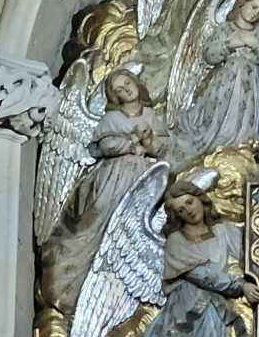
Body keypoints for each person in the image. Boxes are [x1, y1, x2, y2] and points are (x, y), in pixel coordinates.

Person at [107, 180, 259, 337]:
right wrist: (240, 286)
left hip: (212, 316)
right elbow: (202, 274)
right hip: (182, 317)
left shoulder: (224, 231)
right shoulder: (176, 242)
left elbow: (253, 255)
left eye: (190, 202)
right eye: (181, 209)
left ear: (200, 199)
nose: (189, 210)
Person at [40, 68, 166, 314]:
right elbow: (106, 145)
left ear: (137, 83)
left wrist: (150, 142)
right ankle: (72, 282)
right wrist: (132, 141)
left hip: (144, 182)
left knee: (132, 229)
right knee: (99, 222)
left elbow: (163, 148)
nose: (126, 89)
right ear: (115, 96)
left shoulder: (152, 115)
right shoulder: (112, 119)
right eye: (119, 89)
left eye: (127, 83)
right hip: (113, 177)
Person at [172, 0, 259, 158]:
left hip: (247, 82)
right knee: (217, 114)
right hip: (225, 79)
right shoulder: (226, 29)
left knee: (242, 116)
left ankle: (237, 145)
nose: (254, 14)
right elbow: (208, 53)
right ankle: (216, 140)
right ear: (242, 3)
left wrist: (258, 46)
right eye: (253, 7)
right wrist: (230, 44)